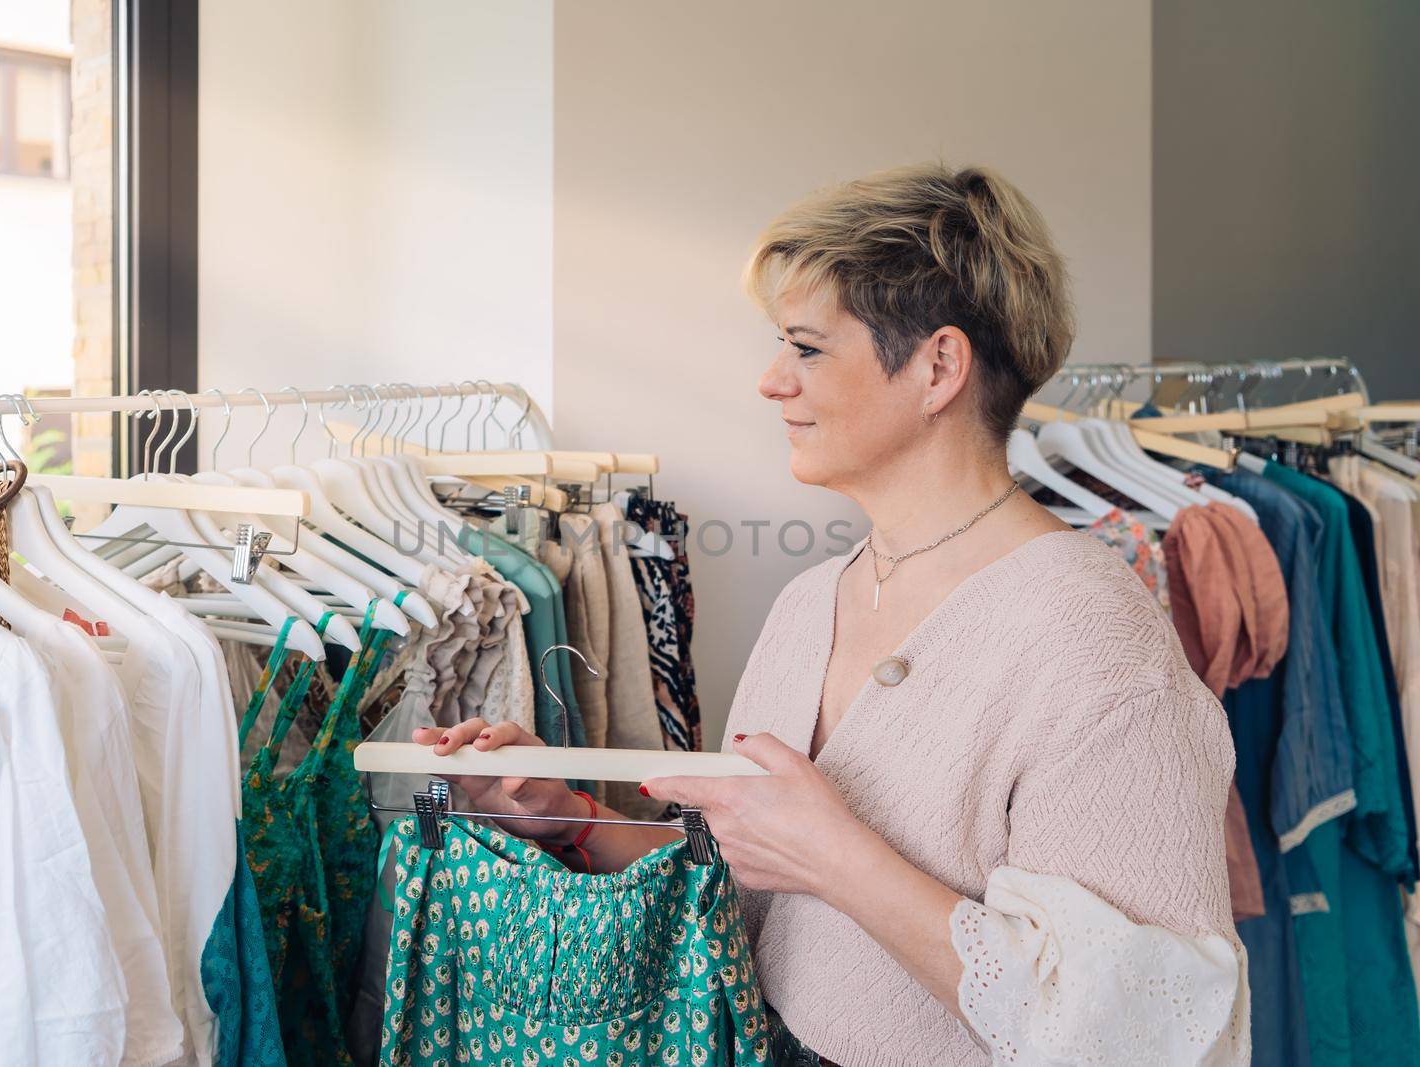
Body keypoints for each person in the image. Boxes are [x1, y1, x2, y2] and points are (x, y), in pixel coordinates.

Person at [411, 162, 1249, 1065]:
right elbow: (745, 894)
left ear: (937, 366)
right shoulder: (811, 603)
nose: (772, 381)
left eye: (806, 348)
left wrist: (837, 856)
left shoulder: (1096, 644)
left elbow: (1143, 1032)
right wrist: (567, 816)